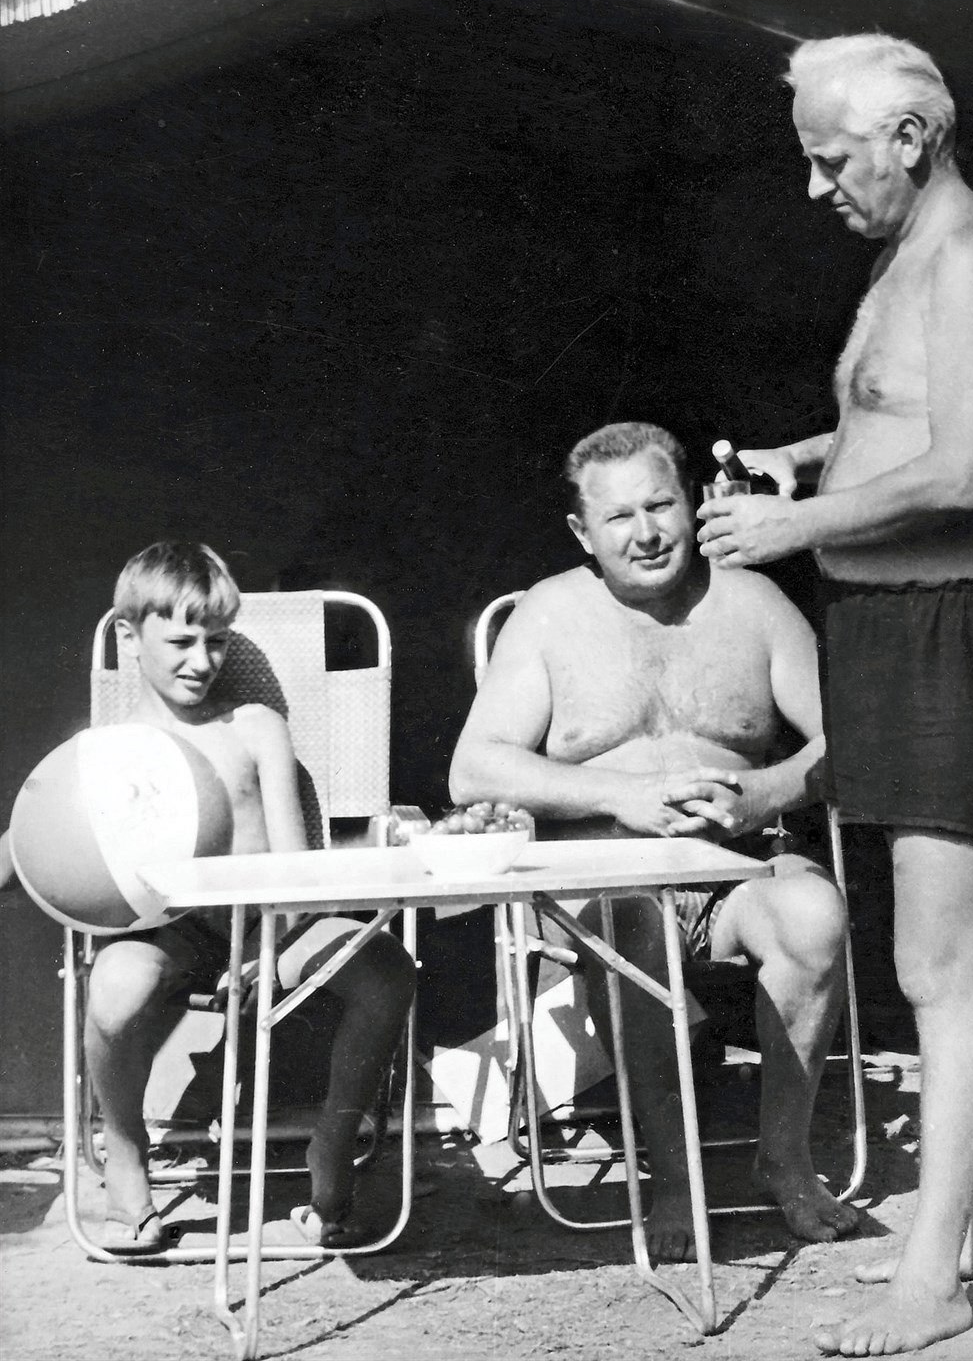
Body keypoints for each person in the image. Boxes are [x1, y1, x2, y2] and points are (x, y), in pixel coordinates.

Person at [697, 34, 973, 1355]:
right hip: (894, 633)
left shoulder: (970, 260)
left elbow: (964, 470)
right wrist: (805, 460)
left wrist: (793, 531)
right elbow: (895, 421)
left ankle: (931, 1281)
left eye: (831, 159)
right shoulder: (904, 257)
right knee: (969, 958)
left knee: (933, 965)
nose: (816, 188)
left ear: (907, 139)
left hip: (958, 632)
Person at [449, 421, 858, 1263]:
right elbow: (474, 768)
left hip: (738, 866)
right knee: (635, 927)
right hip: (607, 878)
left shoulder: (753, 605)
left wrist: (767, 790)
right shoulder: (550, 614)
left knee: (814, 915)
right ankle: (674, 1175)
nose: (645, 533)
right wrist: (619, 796)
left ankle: (783, 1158)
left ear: (694, 501)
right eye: (618, 516)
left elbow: (850, 741)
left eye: (660, 505)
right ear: (582, 532)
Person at [0, 541, 416, 1253]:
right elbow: (30, 843)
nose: (202, 661)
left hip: (270, 925)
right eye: (181, 643)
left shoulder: (254, 728)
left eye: (217, 641)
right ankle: (125, 1153)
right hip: (169, 933)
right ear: (129, 637)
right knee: (114, 989)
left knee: (387, 974)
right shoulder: (107, 750)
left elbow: (295, 867)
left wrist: (271, 944)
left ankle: (332, 1138)